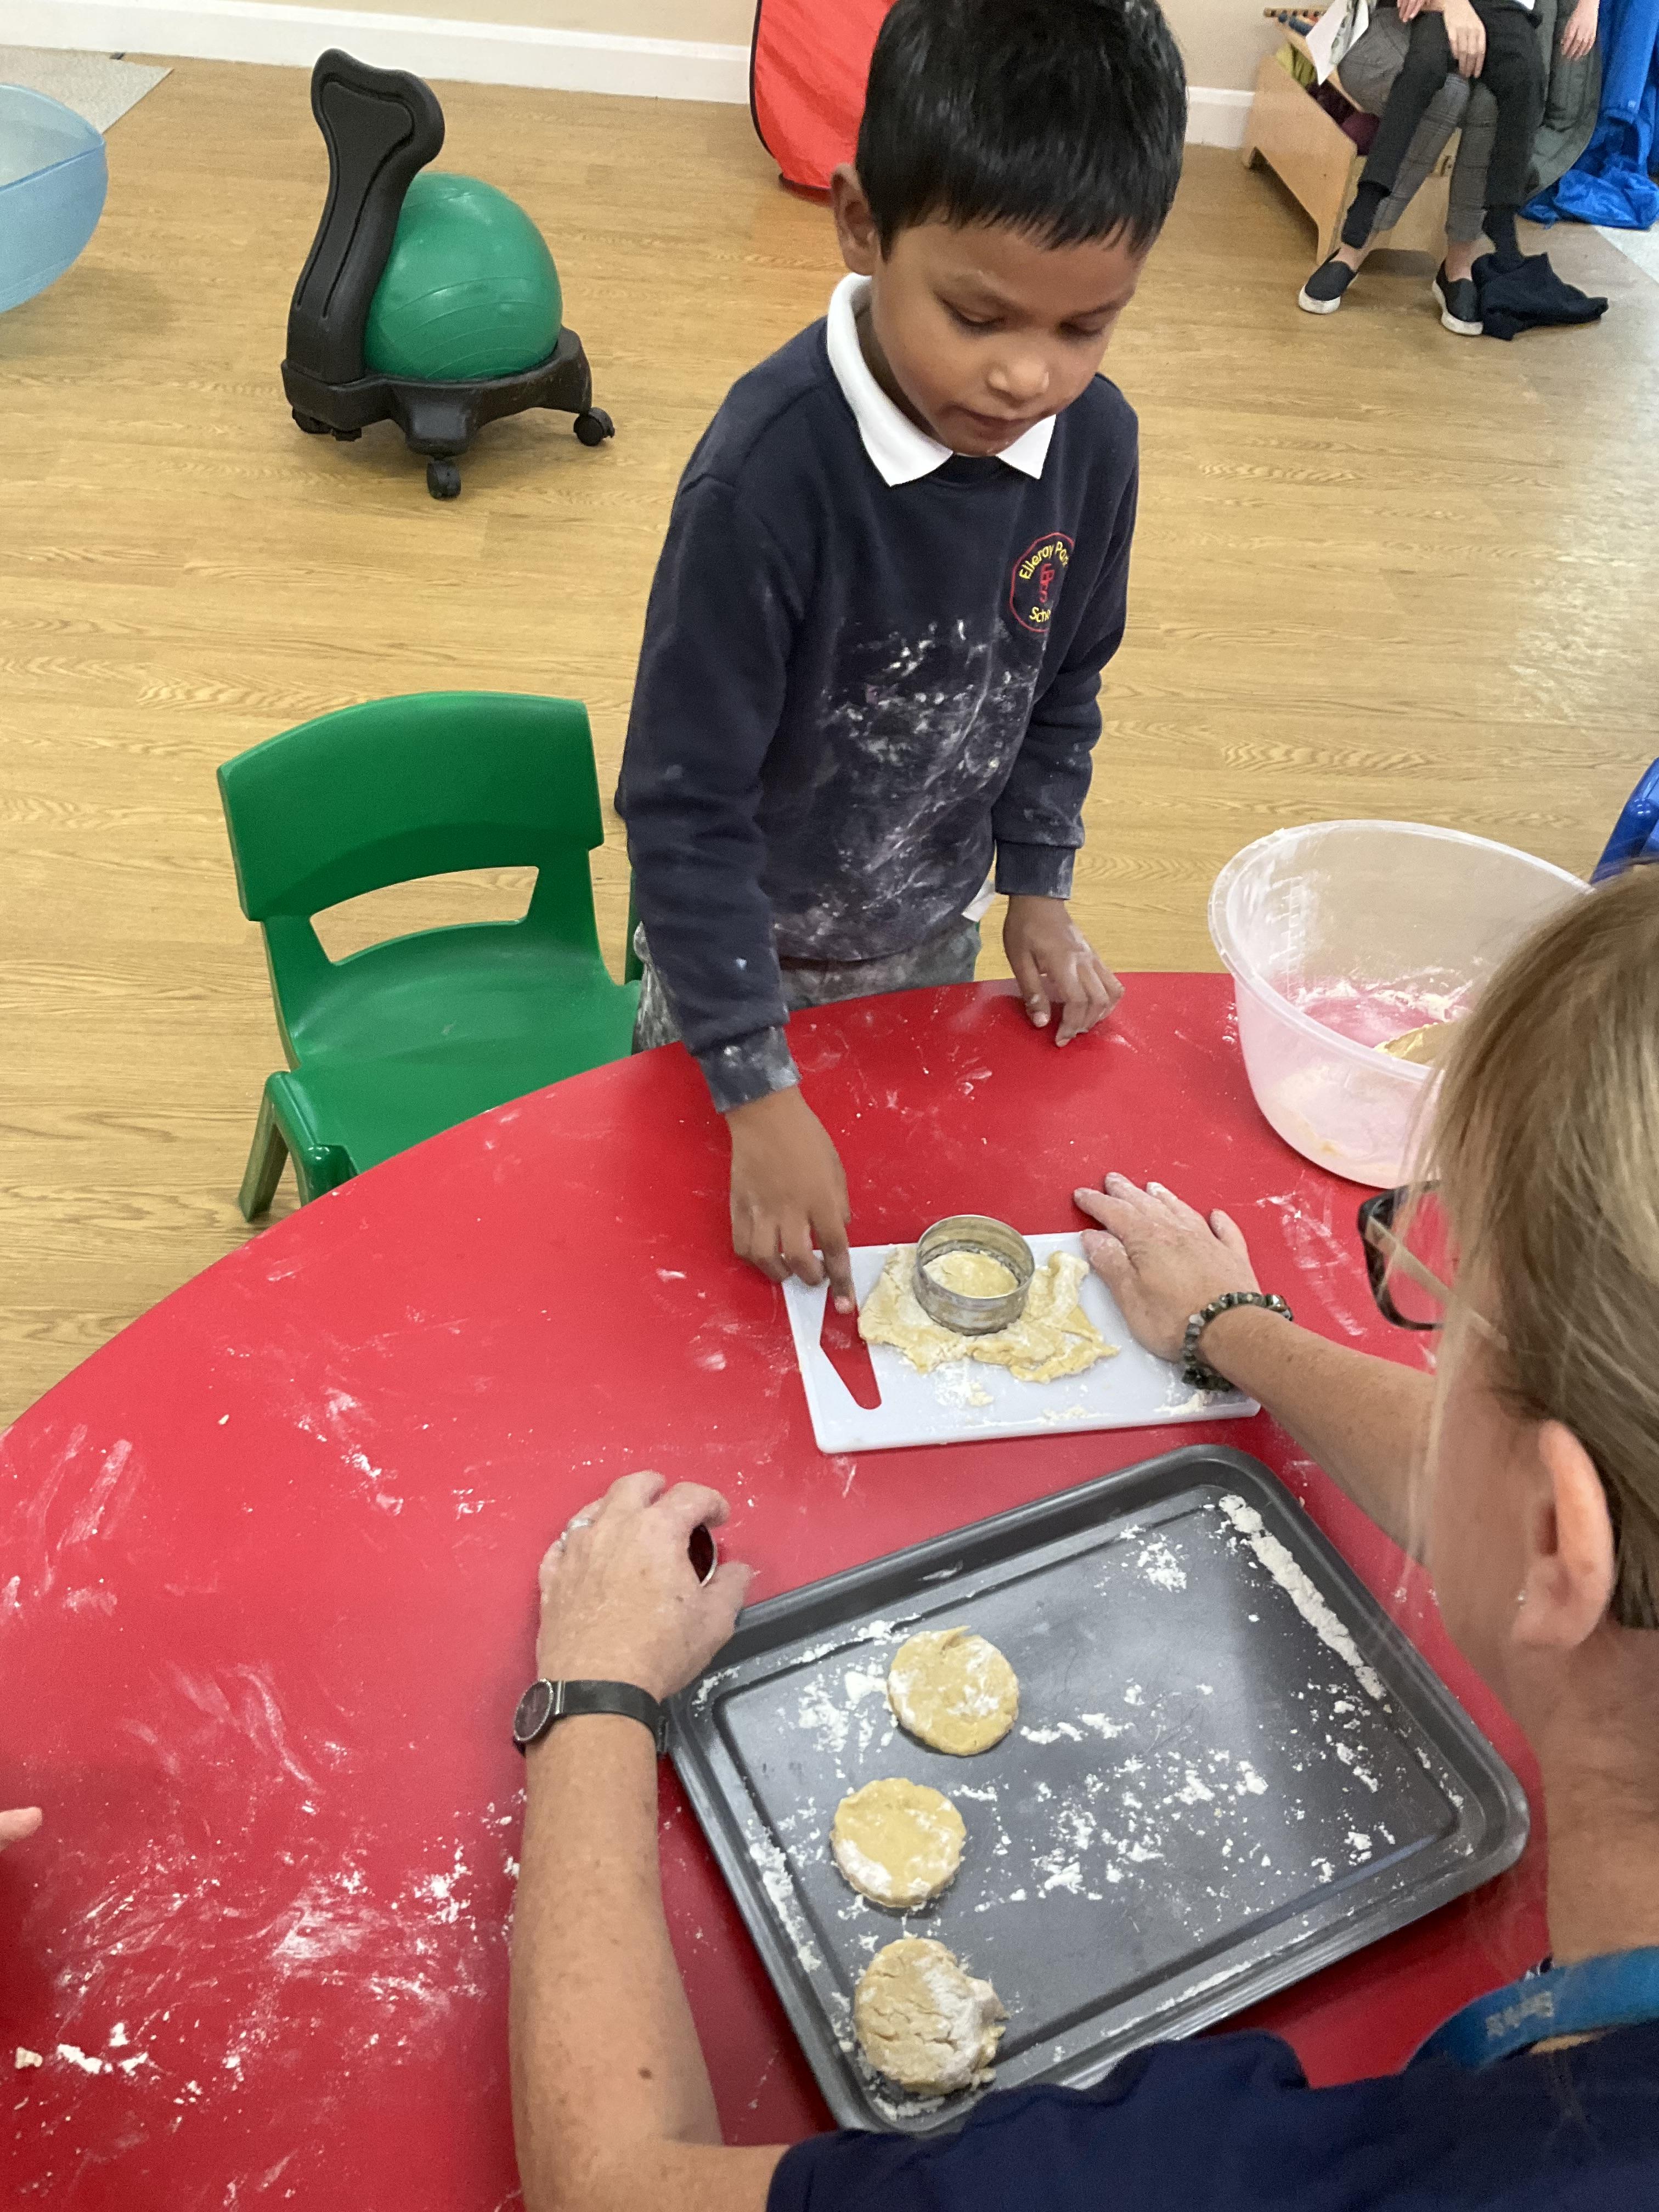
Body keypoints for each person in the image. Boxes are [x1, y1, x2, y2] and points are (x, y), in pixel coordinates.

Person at [508, 864, 1659, 2210]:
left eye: (1445, 1308)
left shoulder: (1224, 2181)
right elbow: (1535, 1482)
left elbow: (611, 2188)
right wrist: (1234, 1329)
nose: (1433, 1357)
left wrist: (591, 1695)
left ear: (1560, 1537)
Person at [614, 0, 1187, 1314]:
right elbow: (681, 808)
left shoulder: (1095, 447)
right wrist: (755, 1090)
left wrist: (1036, 887)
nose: (1028, 378)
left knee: (883, 1227)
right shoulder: (765, 479)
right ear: (863, 224)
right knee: (709, 1283)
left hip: (929, 932)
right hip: (737, 968)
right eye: (979, 317)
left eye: (1085, 328)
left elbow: (1063, 686)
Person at [1299, 0, 1599, 331]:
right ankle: (1353, 248)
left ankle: (1459, 264)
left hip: (1497, 15)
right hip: (1402, 18)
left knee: (1494, 100)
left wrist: (1589, 6)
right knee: (1446, 92)